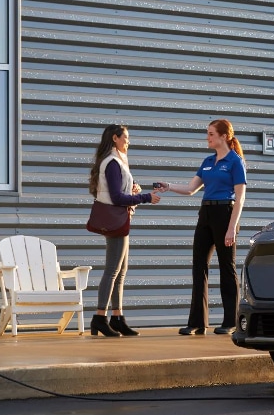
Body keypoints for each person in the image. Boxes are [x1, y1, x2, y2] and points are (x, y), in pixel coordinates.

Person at [156, 119, 247, 335]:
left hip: (225, 214)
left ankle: (230, 321)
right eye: (208, 133)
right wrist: (169, 187)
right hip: (205, 213)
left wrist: (231, 227)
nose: (208, 138)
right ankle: (197, 321)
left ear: (224, 136)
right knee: (199, 266)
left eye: (211, 134)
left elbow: (241, 198)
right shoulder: (208, 161)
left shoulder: (235, 162)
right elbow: (190, 189)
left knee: (227, 268)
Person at [88, 124, 161, 337]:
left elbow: (121, 190)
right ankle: (99, 317)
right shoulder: (112, 162)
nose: (128, 141)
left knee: (120, 272)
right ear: (115, 138)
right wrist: (145, 197)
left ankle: (117, 317)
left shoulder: (118, 161)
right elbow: (117, 198)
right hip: (115, 220)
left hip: (121, 219)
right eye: (126, 138)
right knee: (112, 271)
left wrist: (133, 188)